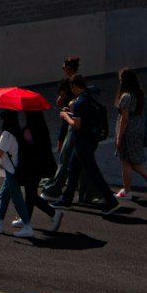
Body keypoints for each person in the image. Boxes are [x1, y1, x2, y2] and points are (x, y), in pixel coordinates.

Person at [48, 74, 122, 222]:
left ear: (76, 87)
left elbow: (77, 125)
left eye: (72, 88)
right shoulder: (89, 98)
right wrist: (72, 113)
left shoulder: (80, 102)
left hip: (82, 142)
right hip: (89, 140)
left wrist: (65, 116)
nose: (72, 91)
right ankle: (67, 199)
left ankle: (111, 202)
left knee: (93, 172)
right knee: (73, 168)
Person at [0, 110, 35, 238]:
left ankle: (27, 226)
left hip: (11, 170)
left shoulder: (6, 133)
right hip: (13, 168)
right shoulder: (17, 131)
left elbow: (0, 153)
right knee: (4, 194)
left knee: (17, 198)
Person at [114, 67, 147, 199]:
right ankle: (142, 182)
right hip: (138, 130)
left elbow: (124, 119)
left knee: (126, 161)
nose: (120, 82)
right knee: (132, 159)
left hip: (128, 132)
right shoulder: (140, 94)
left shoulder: (126, 97)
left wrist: (119, 137)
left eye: (121, 80)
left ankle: (128, 190)